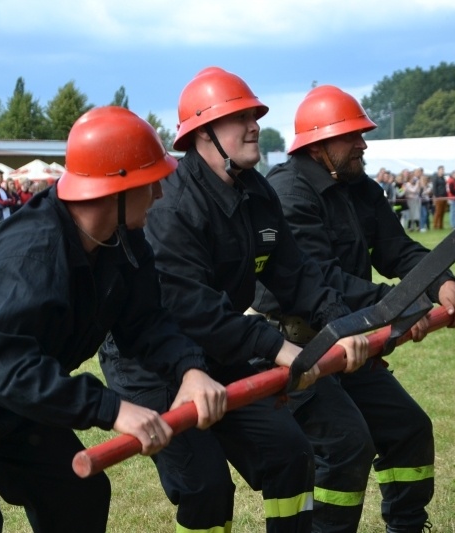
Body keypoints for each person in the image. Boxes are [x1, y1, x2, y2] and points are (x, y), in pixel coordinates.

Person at [0, 106, 227, 533]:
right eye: (149, 182)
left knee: (77, 497)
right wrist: (112, 409)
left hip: (5, 386)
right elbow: (7, 368)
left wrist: (190, 369)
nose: (160, 194)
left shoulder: (125, 241)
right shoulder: (32, 249)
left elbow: (147, 322)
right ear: (114, 189)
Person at [98, 67, 369, 533]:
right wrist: (276, 347)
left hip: (220, 353)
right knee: (206, 487)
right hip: (152, 363)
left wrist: (338, 325)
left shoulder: (257, 192)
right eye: (239, 117)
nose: (254, 126)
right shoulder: (172, 206)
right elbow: (191, 306)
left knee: (290, 454)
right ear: (203, 133)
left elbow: (297, 274)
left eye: (254, 116)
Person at [253, 85, 455, 533]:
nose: (363, 145)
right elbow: (320, 281)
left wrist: (440, 280)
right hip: (296, 350)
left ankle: (407, 527)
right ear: (318, 145)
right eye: (351, 136)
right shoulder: (288, 193)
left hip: (350, 339)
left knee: (409, 429)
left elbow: (397, 248)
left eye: (362, 134)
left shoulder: (359, 187)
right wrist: (396, 305)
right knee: (345, 446)